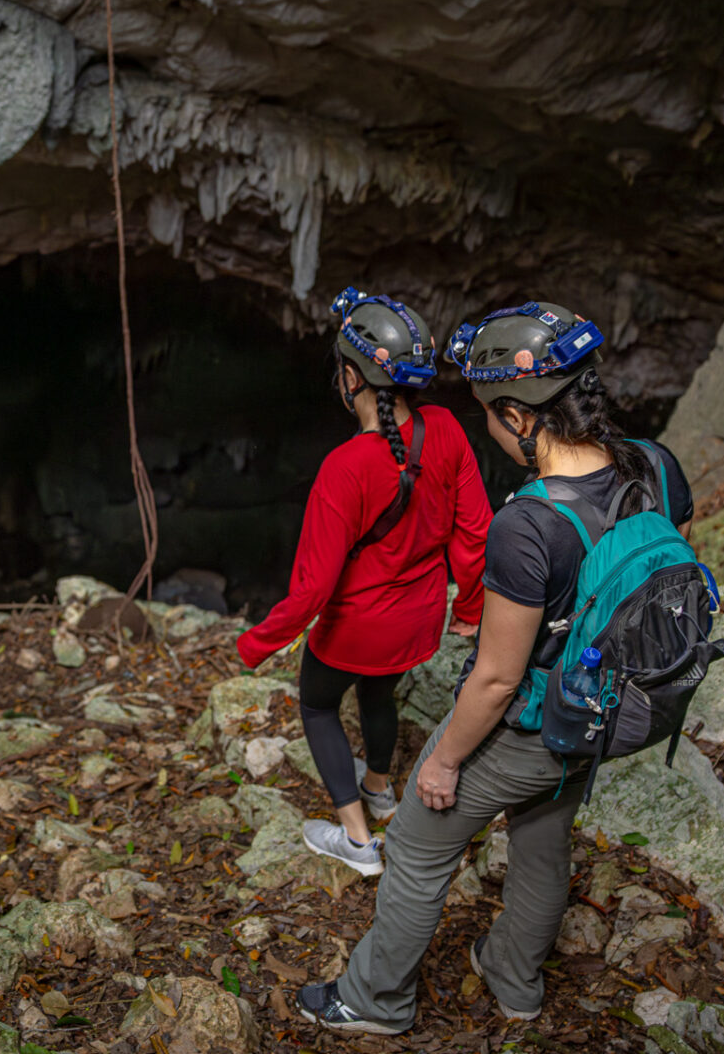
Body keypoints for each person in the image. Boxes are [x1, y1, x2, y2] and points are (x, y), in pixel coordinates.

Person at [294, 301, 696, 1034]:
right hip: (624, 706)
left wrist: (443, 763)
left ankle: (373, 1000)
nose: (486, 425)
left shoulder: (530, 523)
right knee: (543, 834)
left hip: (543, 719)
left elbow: (496, 678)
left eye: (488, 411)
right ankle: (514, 981)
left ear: (518, 415)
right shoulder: (656, 464)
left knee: (416, 843)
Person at [237, 288, 491, 877]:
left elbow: (311, 590)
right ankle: (379, 787)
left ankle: (356, 840)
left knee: (320, 705)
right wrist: (469, 607)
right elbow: (476, 531)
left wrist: (259, 643)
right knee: (379, 692)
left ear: (352, 378)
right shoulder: (447, 429)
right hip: (419, 619)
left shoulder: (344, 468)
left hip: (355, 628)